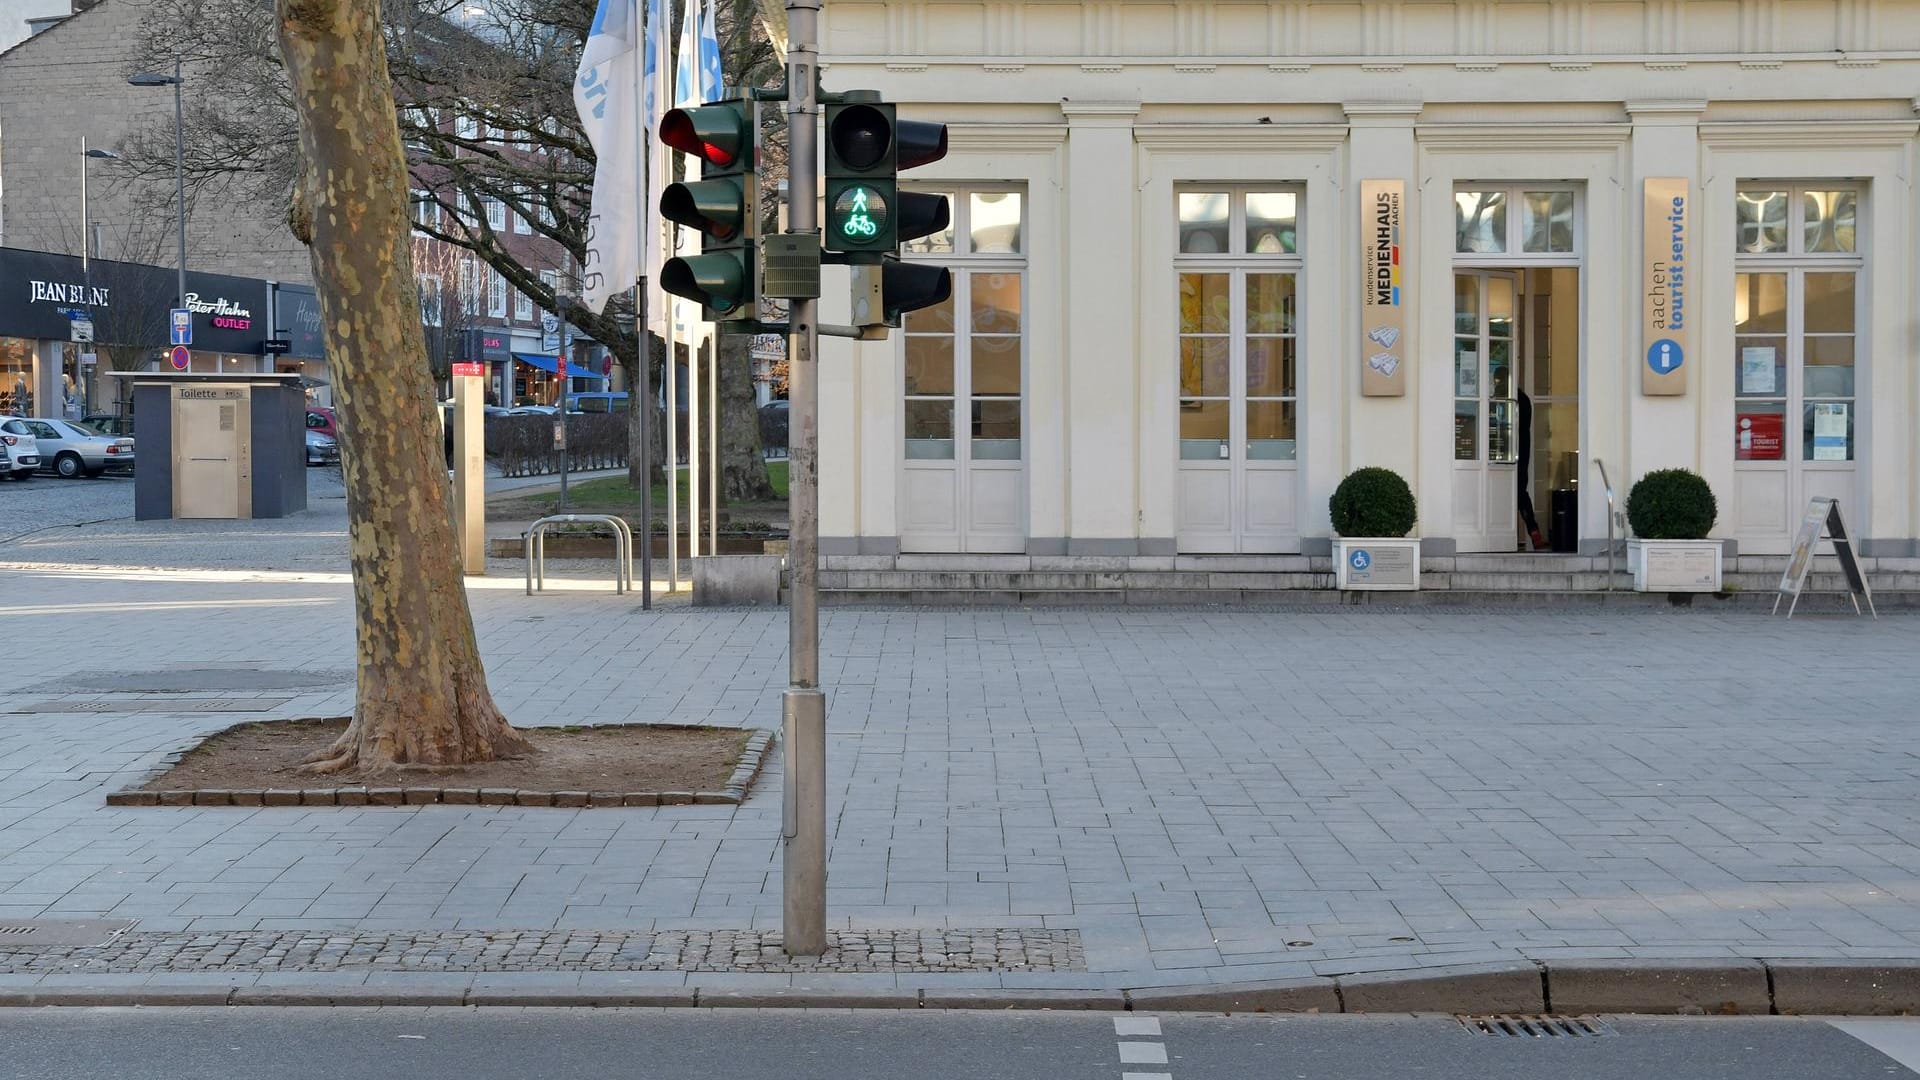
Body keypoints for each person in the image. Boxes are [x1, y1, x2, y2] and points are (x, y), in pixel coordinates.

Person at [1517, 390, 1547, 551]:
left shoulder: (1512, 399)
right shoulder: (1524, 399)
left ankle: (1533, 531)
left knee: (1513, 495)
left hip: (1511, 453)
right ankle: (1534, 531)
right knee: (1521, 493)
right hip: (1522, 453)